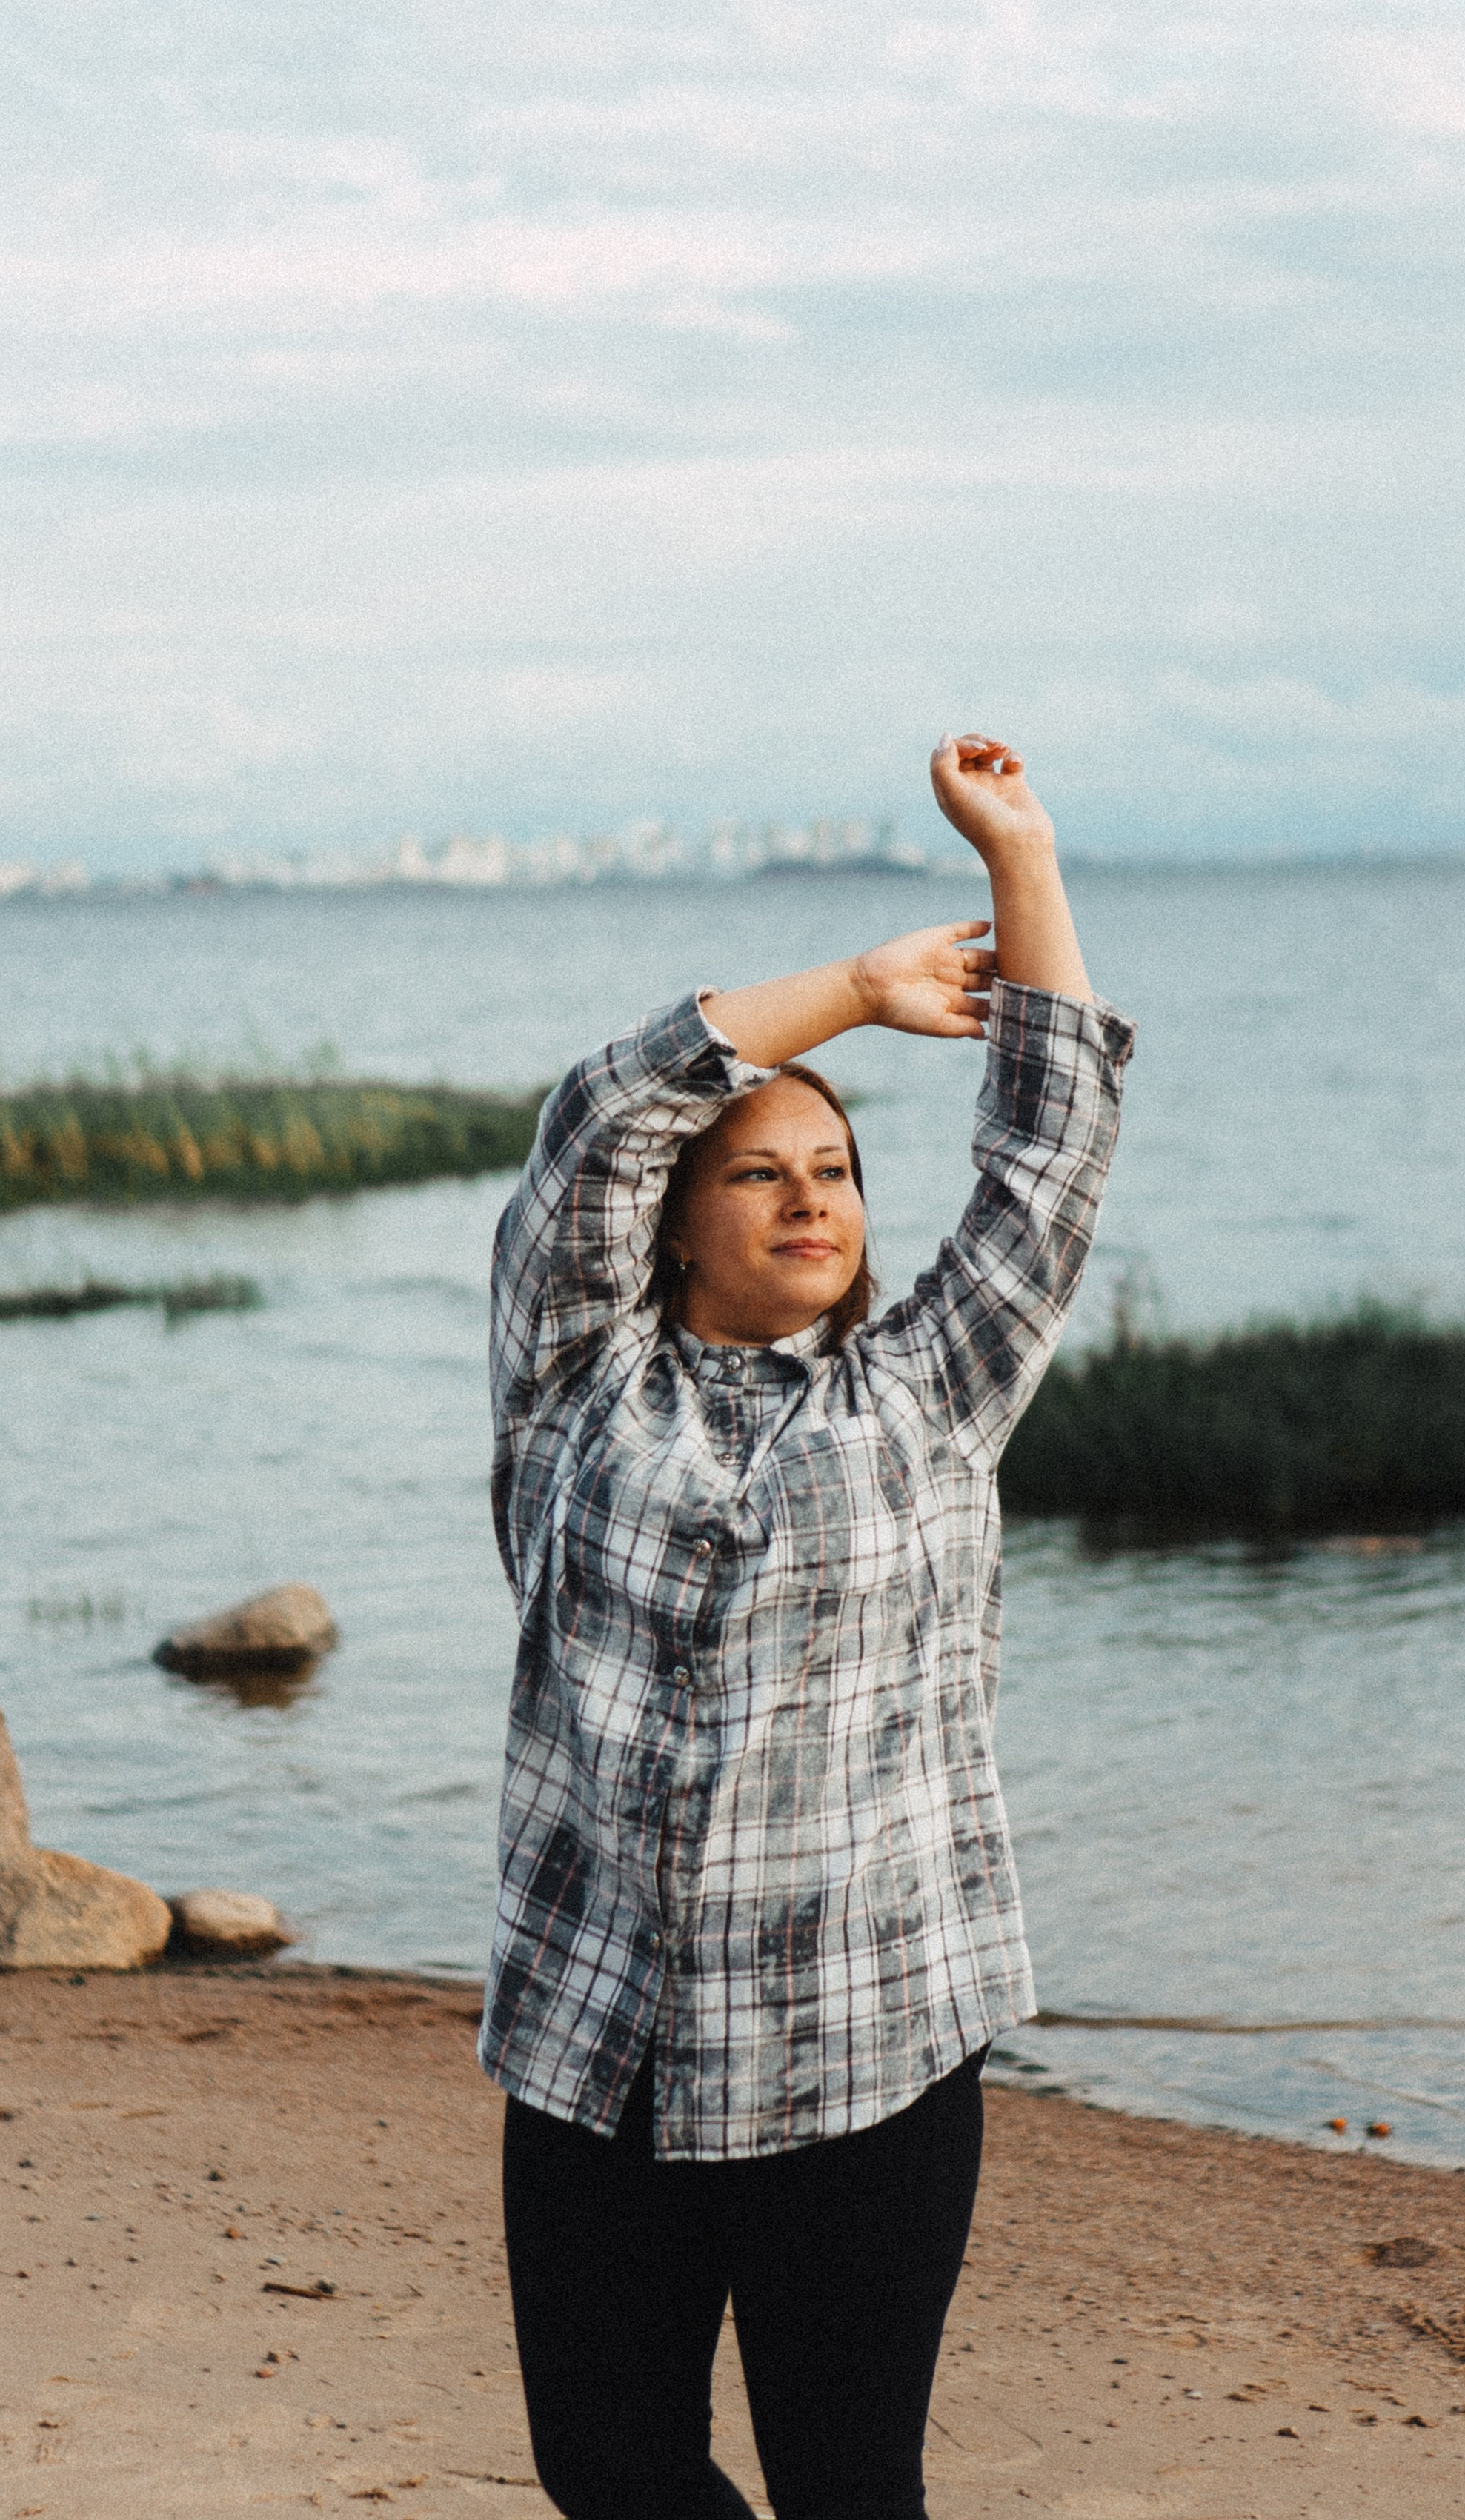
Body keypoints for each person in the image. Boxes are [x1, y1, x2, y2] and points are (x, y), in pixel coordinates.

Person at [480, 733, 1135, 2520]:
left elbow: (1048, 1154)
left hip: (862, 2056)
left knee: (852, 2489)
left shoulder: (932, 1391)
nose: (809, 1197)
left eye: (835, 1171)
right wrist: (847, 995)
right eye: (761, 1169)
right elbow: (597, 1115)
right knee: (607, 2468)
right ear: (678, 1221)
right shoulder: (573, 1385)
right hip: (595, 2048)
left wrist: (1020, 853)